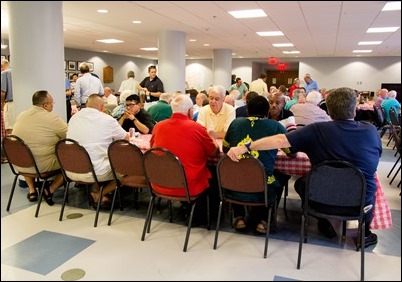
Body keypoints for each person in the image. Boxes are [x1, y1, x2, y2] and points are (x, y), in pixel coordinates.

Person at [226, 87, 381, 248]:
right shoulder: (371, 131)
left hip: (320, 200)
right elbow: (375, 161)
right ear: (354, 110)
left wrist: (246, 147)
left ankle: (325, 220)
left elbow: (280, 140)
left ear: (328, 109)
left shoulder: (316, 130)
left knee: (301, 183)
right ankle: (365, 233)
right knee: (370, 183)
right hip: (359, 203)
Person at [222, 95, 291, 234]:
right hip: (263, 188)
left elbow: (225, 149)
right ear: (267, 113)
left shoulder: (235, 123)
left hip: (234, 185)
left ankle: (239, 217)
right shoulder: (275, 126)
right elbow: (290, 150)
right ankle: (263, 220)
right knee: (281, 176)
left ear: (247, 110)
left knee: (239, 173)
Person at [150, 94, 220, 198]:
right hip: (188, 186)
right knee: (213, 174)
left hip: (159, 183)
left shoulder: (158, 126)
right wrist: (213, 138)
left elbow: (152, 149)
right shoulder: (197, 128)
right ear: (190, 111)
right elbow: (214, 152)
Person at [67, 94, 129, 208]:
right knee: (127, 168)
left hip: (71, 169)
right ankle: (99, 193)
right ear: (102, 107)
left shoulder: (74, 118)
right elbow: (126, 138)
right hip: (95, 171)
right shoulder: (107, 120)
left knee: (95, 156)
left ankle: (95, 189)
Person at [12, 90, 67, 204]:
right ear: (45, 105)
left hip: (20, 164)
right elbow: (69, 135)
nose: (53, 105)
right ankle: (50, 190)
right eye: (52, 102)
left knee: (26, 152)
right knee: (71, 162)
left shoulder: (21, 115)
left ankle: (32, 190)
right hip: (41, 166)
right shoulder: (52, 118)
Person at [1, 59, 14, 136]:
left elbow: (3, 92)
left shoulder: (4, 73)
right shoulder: (18, 71)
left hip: (10, 104)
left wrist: (2, 105)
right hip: (21, 102)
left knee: (10, 130)